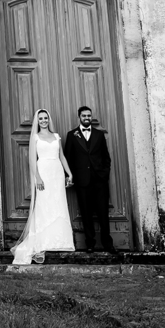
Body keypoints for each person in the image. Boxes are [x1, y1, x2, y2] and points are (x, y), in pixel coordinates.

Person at [11, 108, 75, 264]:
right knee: (44, 205)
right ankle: (43, 241)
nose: (44, 121)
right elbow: (32, 160)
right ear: (37, 121)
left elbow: (62, 157)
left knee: (58, 203)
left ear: (49, 119)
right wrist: (37, 177)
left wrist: (69, 173)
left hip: (57, 173)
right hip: (43, 173)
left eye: (46, 118)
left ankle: (61, 241)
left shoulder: (56, 136)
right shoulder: (35, 137)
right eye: (41, 119)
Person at [64, 105, 116, 253]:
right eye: (84, 116)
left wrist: (104, 174)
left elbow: (106, 157)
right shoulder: (71, 135)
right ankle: (90, 244)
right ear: (79, 117)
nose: (87, 118)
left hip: (100, 181)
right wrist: (71, 176)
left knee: (102, 213)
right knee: (86, 214)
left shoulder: (99, 135)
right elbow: (68, 158)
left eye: (89, 116)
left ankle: (108, 243)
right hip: (82, 181)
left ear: (91, 117)